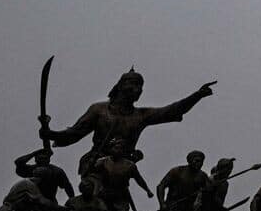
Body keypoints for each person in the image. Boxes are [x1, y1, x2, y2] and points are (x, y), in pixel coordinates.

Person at [38, 67, 215, 176]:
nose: (138, 90)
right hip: (97, 164)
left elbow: (172, 110)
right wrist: (51, 133)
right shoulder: (98, 110)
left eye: (141, 87)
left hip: (124, 167)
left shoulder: (142, 115)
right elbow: (75, 133)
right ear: (121, 86)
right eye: (134, 85)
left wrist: (197, 95)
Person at [88, 139, 152, 211]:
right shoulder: (102, 162)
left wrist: (147, 190)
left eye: (121, 148)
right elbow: (90, 172)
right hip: (105, 196)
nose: (118, 150)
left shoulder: (130, 165)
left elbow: (139, 179)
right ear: (110, 149)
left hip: (121, 197)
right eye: (116, 147)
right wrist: (92, 162)